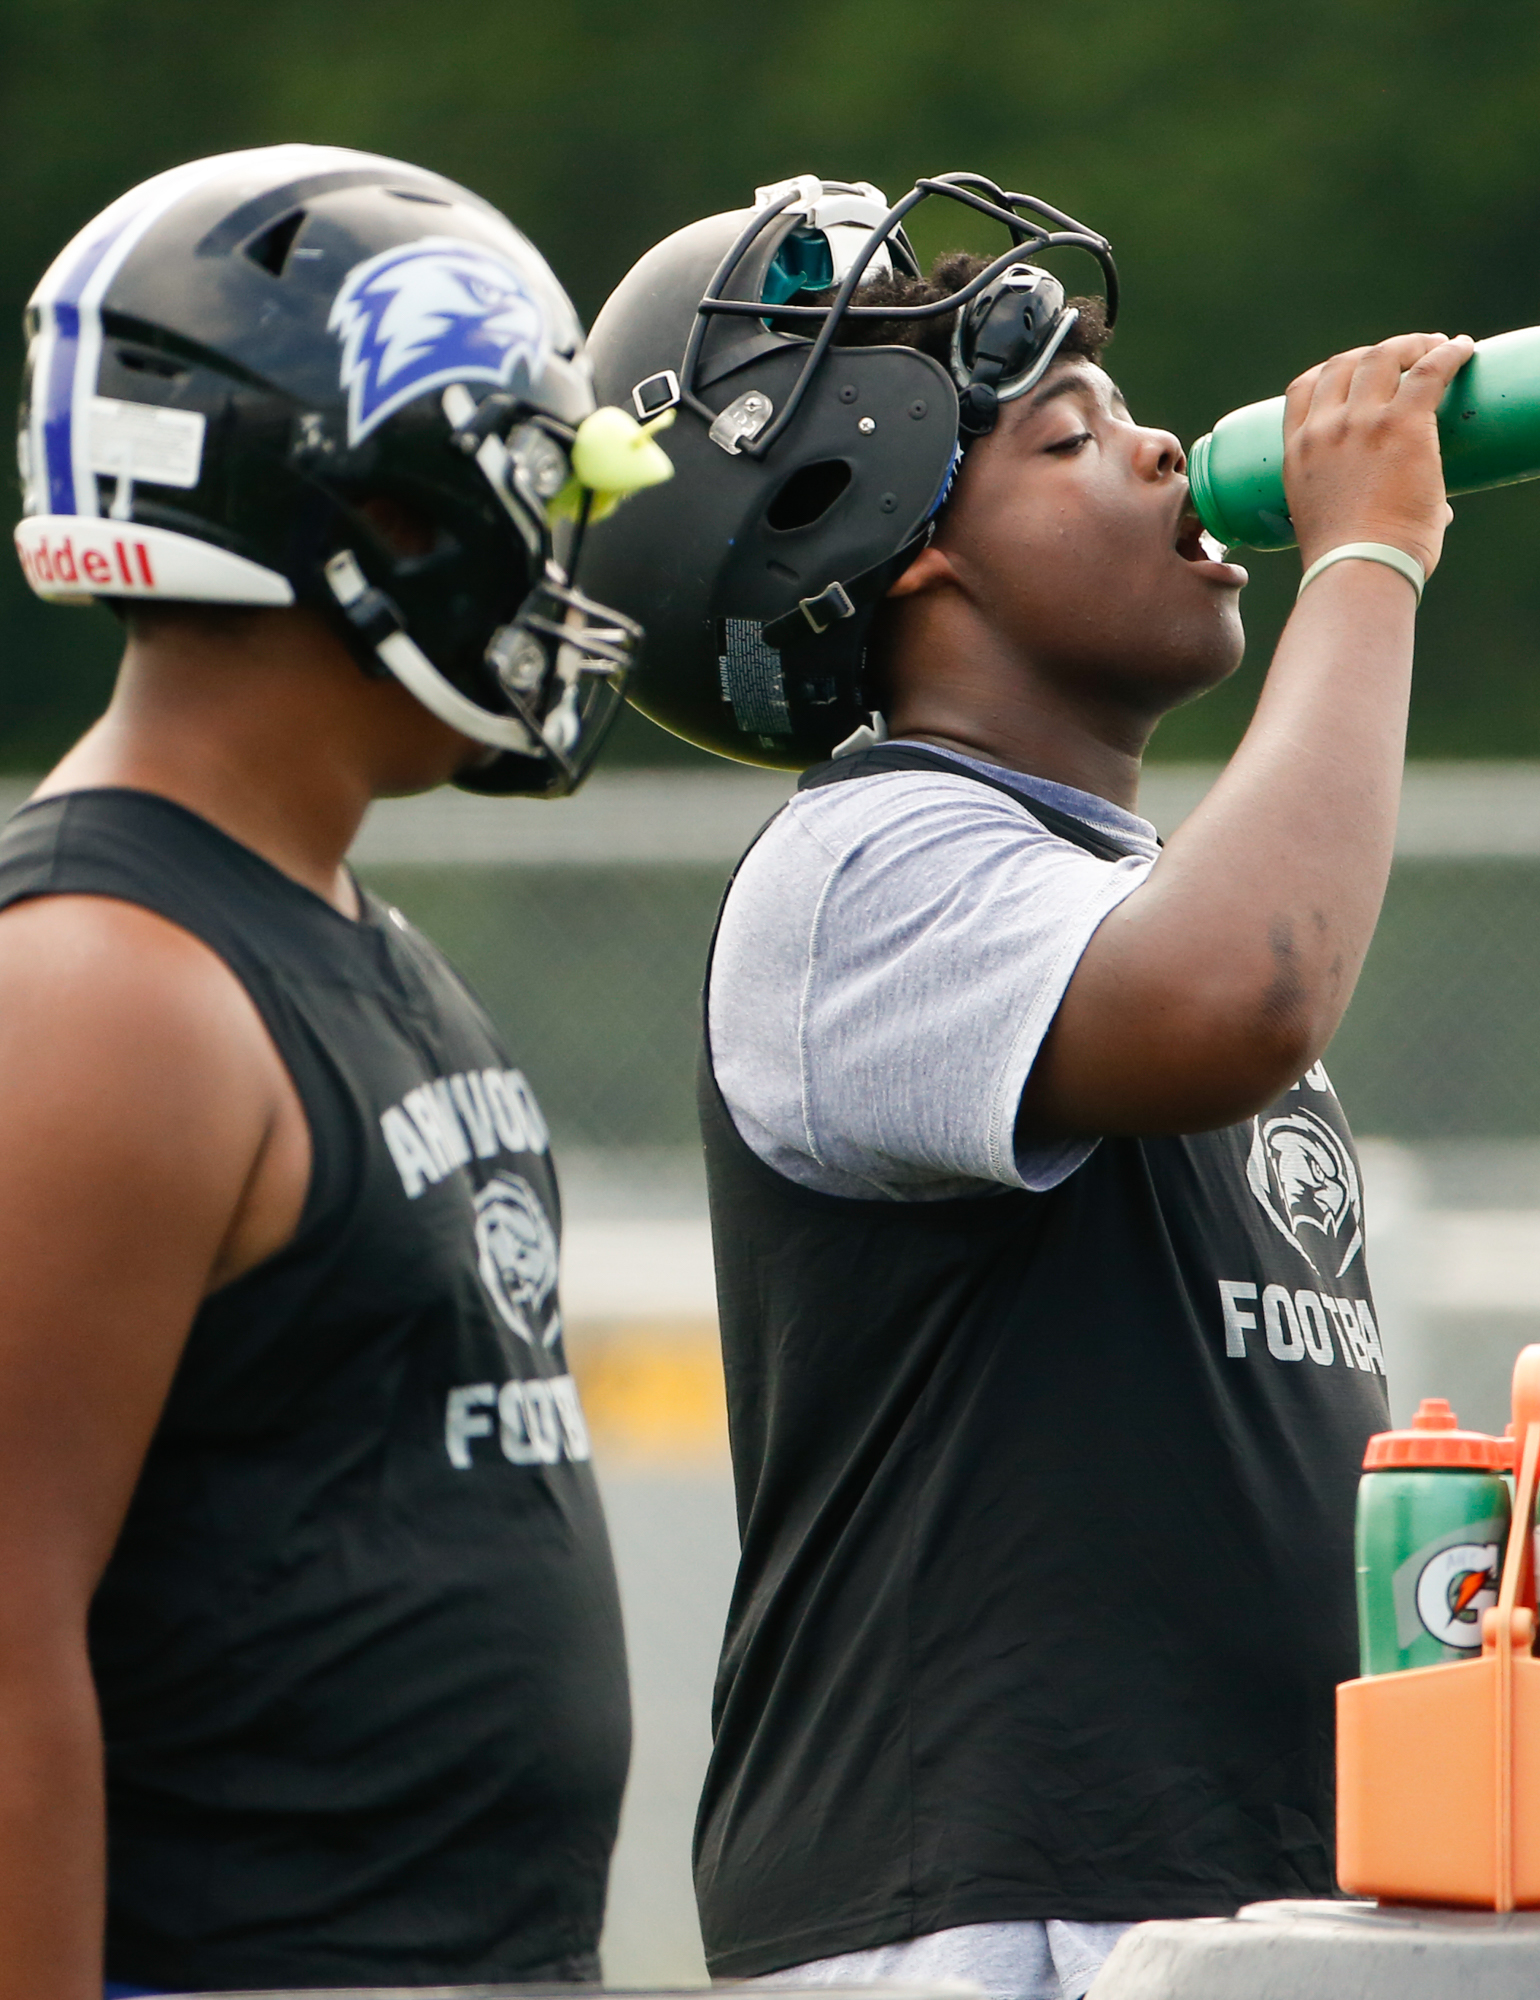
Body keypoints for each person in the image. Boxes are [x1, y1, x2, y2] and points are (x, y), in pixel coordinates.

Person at [575, 175, 1469, 1996]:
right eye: (1076, 435)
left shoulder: (1120, 902)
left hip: (1207, 1895)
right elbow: (1247, 993)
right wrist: (1366, 559)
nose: (1162, 457)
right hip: (980, 1913)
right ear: (908, 550)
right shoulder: (867, 868)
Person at [0, 146, 672, 2000]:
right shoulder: (102, 991)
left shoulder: (315, 921)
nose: (561, 560)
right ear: (380, 517)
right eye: (531, 491)